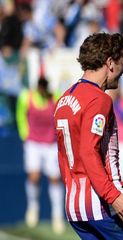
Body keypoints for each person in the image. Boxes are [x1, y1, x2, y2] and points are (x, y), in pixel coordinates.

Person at [53, 32, 123, 239]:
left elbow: (64, 155)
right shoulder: (99, 99)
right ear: (110, 63)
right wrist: (113, 197)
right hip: (101, 201)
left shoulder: (65, 99)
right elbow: (88, 150)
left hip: (75, 206)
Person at [16, 76, 65, 234]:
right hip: (33, 143)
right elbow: (20, 115)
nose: (43, 89)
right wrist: (25, 134)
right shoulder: (26, 97)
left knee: (54, 179)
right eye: (41, 86)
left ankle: (57, 216)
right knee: (34, 176)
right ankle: (32, 207)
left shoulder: (55, 97)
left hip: (50, 144)